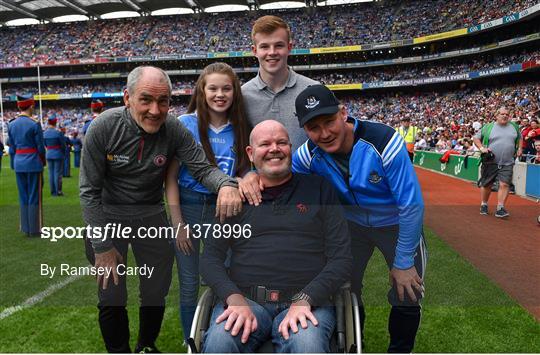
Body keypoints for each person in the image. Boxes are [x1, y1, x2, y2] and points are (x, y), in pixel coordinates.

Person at [80, 66, 242, 353]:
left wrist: (227, 185)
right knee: (112, 294)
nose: (155, 110)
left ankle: (146, 344)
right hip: (108, 219)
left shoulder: (174, 128)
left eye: (163, 101)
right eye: (146, 100)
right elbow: (89, 193)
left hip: (150, 218)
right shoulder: (103, 127)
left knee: (155, 290)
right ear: (127, 98)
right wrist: (102, 245)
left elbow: (203, 168)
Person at [291, 85, 426, 353]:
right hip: (350, 226)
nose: (324, 133)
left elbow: (411, 205)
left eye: (329, 121)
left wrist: (402, 263)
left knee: (408, 291)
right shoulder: (306, 156)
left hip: (396, 223)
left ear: (343, 113)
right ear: (304, 130)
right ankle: (355, 346)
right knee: (346, 290)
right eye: (313, 127)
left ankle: (400, 350)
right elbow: (290, 190)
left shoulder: (384, 141)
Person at [200, 120, 352, 353]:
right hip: (246, 299)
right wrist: (234, 299)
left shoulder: (320, 189)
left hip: (307, 300)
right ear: (251, 153)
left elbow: (341, 258)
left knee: (307, 344)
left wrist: (305, 299)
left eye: (281, 142)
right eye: (265, 144)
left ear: (290, 148)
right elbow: (210, 259)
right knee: (221, 341)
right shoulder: (234, 198)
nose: (274, 149)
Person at [164, 62, 251, 343]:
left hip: (225, 210)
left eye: (226, 88)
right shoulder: (184, 124)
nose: (219, 94)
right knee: (189, 281)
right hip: (188, 207)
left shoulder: (241, 127)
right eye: (212, 88)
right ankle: (191, 339)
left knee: (224, 276)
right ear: (201, 91)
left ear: (235, 92)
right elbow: (171, 179)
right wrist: (177, 224)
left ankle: (220, 335)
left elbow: (243, 172)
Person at [242, 15, 318, 150]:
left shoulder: (313, 89)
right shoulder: (242, 96)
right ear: (255, 51)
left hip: (308, 171)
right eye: (264, 46)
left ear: (289, 47)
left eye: (279, 45)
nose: (272, 52)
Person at [7, 94, 46, 237]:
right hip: (33, 162)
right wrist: (43, 161)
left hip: (19, 162)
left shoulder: (11, 124)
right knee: (34, 196)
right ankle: (35, 229)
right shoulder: (34, 123)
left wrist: (13, 162)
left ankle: (25, 227)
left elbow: (11, 147)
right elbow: (41, 148)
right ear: (31, 106)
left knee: (23, 196)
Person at [473, 106, 522, 218]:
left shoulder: (514, 127)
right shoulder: (488, 127)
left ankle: (500, 208)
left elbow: (520, 138)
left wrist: (520, 149)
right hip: (490, 162)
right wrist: (482, 148)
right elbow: (476, 138)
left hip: (508, 162)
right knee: (487, 184)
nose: (505, 116)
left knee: (504, 184)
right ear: (496, 115)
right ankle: (484, 204)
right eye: (502, 114)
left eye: (507, 114)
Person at [43, 116, 66, 196]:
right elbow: (63, 145)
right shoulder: (58, 133)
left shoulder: (45, 133)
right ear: (55, 123)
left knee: (51, 173)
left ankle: (52, 191)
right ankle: (58, 191)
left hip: (49, 153)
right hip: (58, 154)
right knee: (57, 173)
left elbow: (45, 144)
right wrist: (63, 153)